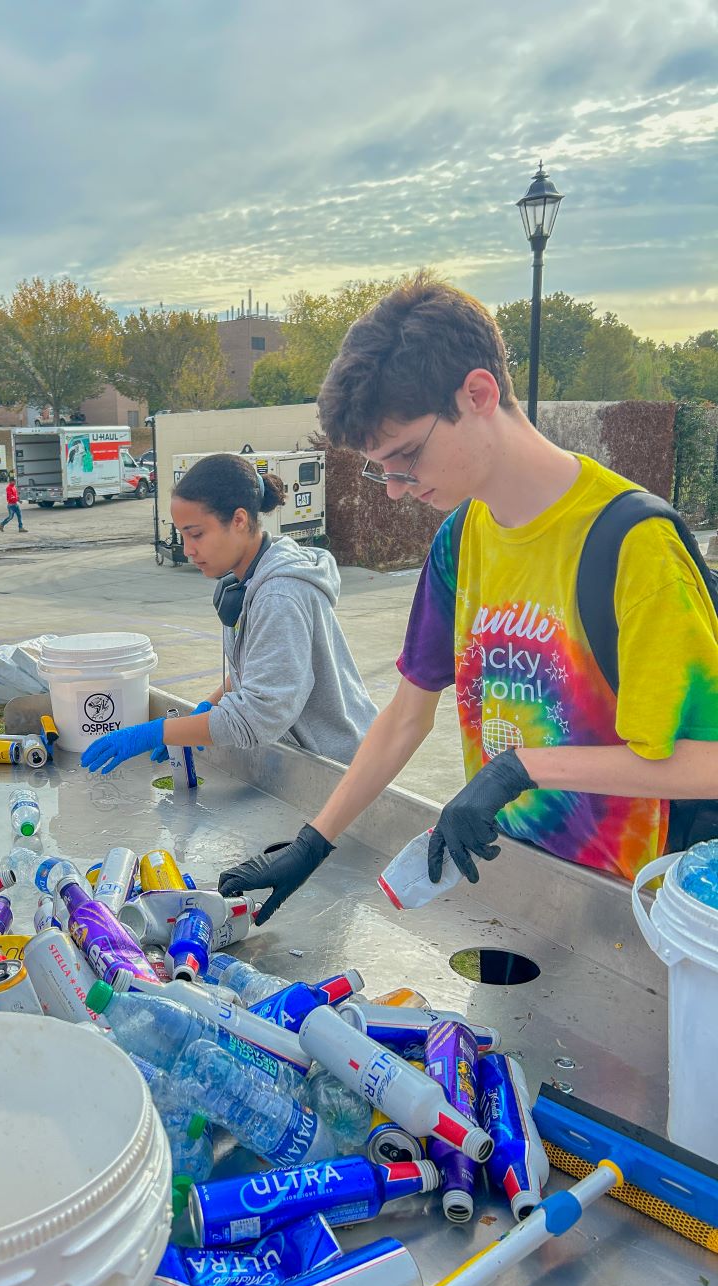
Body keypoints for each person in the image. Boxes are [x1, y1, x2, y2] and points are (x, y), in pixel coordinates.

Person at [218, 276, 718, 923]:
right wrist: (314, 842)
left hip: (628, 910)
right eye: (381, 468)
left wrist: (519, 770)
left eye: (404, 458)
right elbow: (406, 715)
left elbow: (707, 763)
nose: (395, 490)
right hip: (505, 886)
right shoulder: (459, 541)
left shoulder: (633, 545)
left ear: (479, 394)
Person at [80, 453, 377, 775]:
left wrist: (157, 732)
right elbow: (257, 667)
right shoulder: (247, 580)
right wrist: (208, 708)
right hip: (307, 757)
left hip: (336, 768)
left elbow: (258, 718)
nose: (188, 549)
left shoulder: (280, 597)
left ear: (238, 520)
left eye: (196, 534)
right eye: (182, 535)